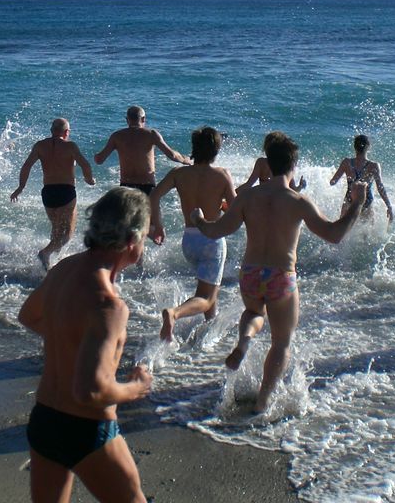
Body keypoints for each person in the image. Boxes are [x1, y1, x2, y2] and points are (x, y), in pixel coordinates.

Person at [193, 132, 365, 412]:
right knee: (282, 342)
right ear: (293, 166)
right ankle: (262, 402)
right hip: (281, 277)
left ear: (269, 165)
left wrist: (199, 219)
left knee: (253, 313)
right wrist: (357, 204)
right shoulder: (298, 201)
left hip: (250, 274)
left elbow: (216, 230)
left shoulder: (248, 197)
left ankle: (245, 340)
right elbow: (334, 234)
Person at [18, 187, 153, 503]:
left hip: (45, 421)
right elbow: (90, 391)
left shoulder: (64, 269)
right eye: (145, 236)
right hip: (87, 430)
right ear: (131, 241)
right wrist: (136, 387)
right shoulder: (110, 305)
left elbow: (28, 315)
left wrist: (70, 342)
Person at [148, 126, 236, 340]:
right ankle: (174, 313)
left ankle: (209, 335)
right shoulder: (222, 175)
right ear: (215, 151)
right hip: (211, 240)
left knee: (209, 290)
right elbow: (235, 208)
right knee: (205, 297)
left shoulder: (179, 173)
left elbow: (154, 196)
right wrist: (222, 208)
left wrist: (157, 226)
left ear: (194, 148)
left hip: (189, 241)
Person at [11, 118, 96, 270]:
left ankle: (49, 263)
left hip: (48, 193)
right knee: (67, 234)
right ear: (67, 132)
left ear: (51, 131)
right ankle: (46, 253)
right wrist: (89, 179)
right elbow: (85, 164)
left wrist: (20, 187)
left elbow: (26, 166)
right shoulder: (70, 146)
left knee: (56, 230)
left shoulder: (40, 146)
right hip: (66, 192)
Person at [94, 106, 190, 195]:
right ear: (143, 119)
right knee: (150, 213)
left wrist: (96, 156)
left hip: (126, 187)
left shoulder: (117, 136)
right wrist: (186, 160)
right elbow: (172, 155)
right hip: (147, 186)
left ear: (127, 120)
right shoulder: (151, 134)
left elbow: (99, 160)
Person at [329, 134, 393, 222]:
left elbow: (332, 182)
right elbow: (380, 187)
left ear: (354, 147)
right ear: (368, 147)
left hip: (349, 199)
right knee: (366, 233)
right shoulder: (374, 166)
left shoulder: (346, 162)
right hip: (366, 200)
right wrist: (389, 206)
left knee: (342, 229)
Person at [236, 131, 305, 196]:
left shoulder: (261, 163)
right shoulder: (284, 164)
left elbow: (249, 184)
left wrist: (231, 193)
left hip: (264, 199)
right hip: (279, 200)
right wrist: (301, 186)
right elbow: (293, 190)